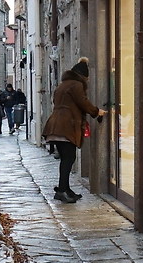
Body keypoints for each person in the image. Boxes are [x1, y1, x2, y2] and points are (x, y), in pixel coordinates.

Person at [41, 60, 103, 203]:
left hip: (55, 126)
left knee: (66, 159)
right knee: (69, 159)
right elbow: (83, 102)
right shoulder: (77, 85)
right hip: (66, 127)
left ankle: (66, 188)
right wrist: (96, 112)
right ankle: (62, 191)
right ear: (83, 76)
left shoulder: (62, 85)